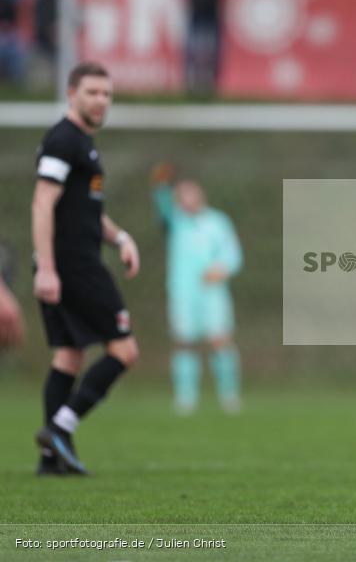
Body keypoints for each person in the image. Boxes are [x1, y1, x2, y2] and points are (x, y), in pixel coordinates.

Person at [31, 62, 140, 475]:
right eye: (92, 92)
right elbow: (42, 202)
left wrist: (121, 238)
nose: (100, 101)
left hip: (71, 262)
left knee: (69, 355)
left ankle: (50, 459)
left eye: (106, 94)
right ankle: (61, 427)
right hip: (74, 266)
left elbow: (86, 213)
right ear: (71, 93)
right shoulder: (64, 139)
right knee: (124, 351)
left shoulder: (81, 144)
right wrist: (47, 268)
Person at [151, 164, 243, 414]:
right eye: (181, 194)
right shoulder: (176, 222)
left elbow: (233, 255)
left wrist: (220, 269)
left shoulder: (217, 221)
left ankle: (229, 396)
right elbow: (162, 206)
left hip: (213, 291)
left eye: (190, 193)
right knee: (184, 342)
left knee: (219, 340)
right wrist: (160, 184)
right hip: (182, 291)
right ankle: (186, 398)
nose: (187, 199)